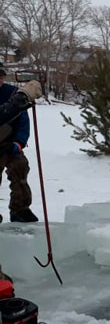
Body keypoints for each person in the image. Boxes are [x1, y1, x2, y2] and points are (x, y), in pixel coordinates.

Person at [0, 67, 40, 223]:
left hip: (10, 143)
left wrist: (17, 144)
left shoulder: (14, 94)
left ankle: (20, 209)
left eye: (1, 77)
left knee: (20, 169)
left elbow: (23, 122)